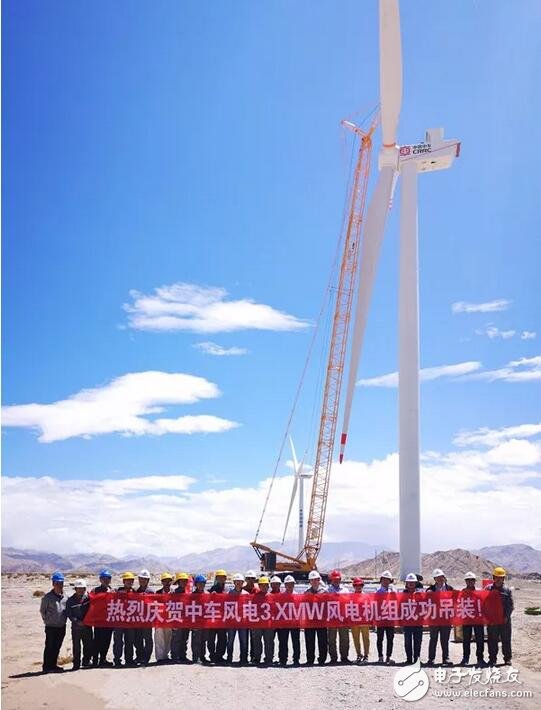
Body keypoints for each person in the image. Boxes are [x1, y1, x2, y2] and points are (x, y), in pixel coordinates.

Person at [40, 571, 68, 673]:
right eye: (57, 583)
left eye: (61, 583)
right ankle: (47, 667)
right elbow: (42, 611)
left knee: (57, 647)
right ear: (53, 584)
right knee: (49, 647)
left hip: (61, 626)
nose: (59, 585)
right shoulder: (47, 597)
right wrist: (47, 620)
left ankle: (53, 665)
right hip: (51, 627)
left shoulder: (65, 597)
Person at [486, 567, 513, 666]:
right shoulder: (488, 589)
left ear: (503, 579)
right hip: (492, 621)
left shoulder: (507, 590)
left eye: (500, 578)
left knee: (506, 640)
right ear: (493, 577)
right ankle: (492, 659)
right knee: (492, 640)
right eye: (496, 577)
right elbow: (484, 604)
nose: (498, 579)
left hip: (505, 621)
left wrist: (506, 617)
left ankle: (507, 659)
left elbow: (510, 606)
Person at [426, 568, 454, 666]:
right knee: (433, 639)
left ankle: (445, 658)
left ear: (444, 577)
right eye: (437, 577)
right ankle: (431, 659)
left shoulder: (450, 589)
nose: (439, 579)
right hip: (434, 619)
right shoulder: (430, 590)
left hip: (446, 619)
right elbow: (425, 602)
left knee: (445, 639)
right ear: (434, 579)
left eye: (441, 577)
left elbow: (455, 602)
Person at [66, 579, 92, 670]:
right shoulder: (70, 601)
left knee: (88, 645)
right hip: (76, 628)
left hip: (87, 627)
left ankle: (86, 662)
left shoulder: (88, 599)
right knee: (76, 646)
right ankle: (76, 664)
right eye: (79, 588)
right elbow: (69, 614)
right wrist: (77, 621)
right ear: (75, 589)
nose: (81, 590)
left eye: (83, 588)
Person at [460, 572, 485, 666]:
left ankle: (480, 658)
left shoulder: (480, 591)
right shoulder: (462, 592)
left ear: (475, 581)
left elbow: (484, 604)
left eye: (472, 580)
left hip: (478, 619)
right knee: (466, 640)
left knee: (480, 639)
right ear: (465, 581)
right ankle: (465, 658)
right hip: (466, 619)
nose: (470, 582)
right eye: (468, 580)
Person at [113, 572, 137, 667]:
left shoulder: (135, 592)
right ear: (123, 581)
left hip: (130, 622)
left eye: (131, 580)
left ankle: (129, 660)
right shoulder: (117, 591)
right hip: (119, 621)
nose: (129, 582)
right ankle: (117, 660)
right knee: (118, 642)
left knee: (129, 641)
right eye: (127, 580)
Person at [304, 570, 328, 666]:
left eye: (316, 579)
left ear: (319, 580)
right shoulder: (306, 593)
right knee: (309, 640)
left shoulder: (324, 592)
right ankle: (310, 659)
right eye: (312, 580)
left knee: (322, 640)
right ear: (310, 581)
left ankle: (322, 659)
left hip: (321, 621)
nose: (314, 581)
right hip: (309, 621)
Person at [326, 570, 350, 664]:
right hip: (332, 617)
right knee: (331, 639)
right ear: (331, 580)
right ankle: (333, 658)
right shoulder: (327, 591)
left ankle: (344, 657)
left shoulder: (345, 590)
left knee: (344, 638)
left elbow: (349, 603)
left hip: (343, 617)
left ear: (340, 579)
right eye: (334, 579)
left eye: (337, 579)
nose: (336, 581)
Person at [92, 569, 114, 667]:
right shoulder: (95, 591)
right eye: (104, 578)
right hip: (98, 621)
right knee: (97, 641)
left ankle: (103, 659)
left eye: (108, 578)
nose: (106, 580)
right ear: (100, 579)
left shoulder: (112, 591)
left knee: (106, 641)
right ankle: (95, 660)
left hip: (109, 622)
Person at [277, 575, 300, 666]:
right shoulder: (281, 596)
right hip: (284, 623)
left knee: (296, 641)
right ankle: (283, 659)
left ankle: (296, 658)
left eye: (291, 584)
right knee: (283, 641)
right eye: (287, 584)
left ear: (294, 585)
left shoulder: (298, 596)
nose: (289, 586)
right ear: (285, 585)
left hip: (295, 622)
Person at [252, 577, 274, 665]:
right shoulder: (255, 597)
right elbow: (252, 609)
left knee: (268, 641)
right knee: (257, 641)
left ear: (268, 586)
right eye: (262, 585)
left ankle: (269, 658)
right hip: (258, 623)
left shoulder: (272, 597)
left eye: (265, 585)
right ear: (259, 586)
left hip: (268, 624)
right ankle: (257, 658)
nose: (264, 587)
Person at [227, 573, 249, 665]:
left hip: (243, 622)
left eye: (240, 582)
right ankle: (229, 658)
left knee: (243, 641)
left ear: (242, 583)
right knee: (230, 640)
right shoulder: (230, 593)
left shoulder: (246, 594)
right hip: (232, 621)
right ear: (234, 582)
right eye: (237, 582)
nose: (238, 583)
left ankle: (243, 659)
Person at [375, 571, 396, 664]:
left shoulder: (393, 591)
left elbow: (396, 603)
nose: (386, 581)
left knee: (390, 638)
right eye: (384, 579)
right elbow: (375, 605)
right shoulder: (378, 592)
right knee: (380, 638)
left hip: (390, 618)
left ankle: (388, 656)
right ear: (381, 580)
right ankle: (380, 656)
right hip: (381, 618)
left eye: (388, 580)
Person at [208, 569, 228, 664]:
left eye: (223, 577)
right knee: (211, 638)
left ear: (225, 578)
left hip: (223, 619)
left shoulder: (227, 590)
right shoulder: (212, 589)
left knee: (222, 638)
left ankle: (220, 656)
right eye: (219, 577)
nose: (221, 579)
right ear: (216, 578)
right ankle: (212, 655)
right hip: (213, 618)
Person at [402, 573, 423, 664]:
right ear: (406, 583)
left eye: (413, 582)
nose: (411, 584)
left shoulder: (420, 594)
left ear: (416, 583)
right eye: (409, 582)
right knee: (408, 641)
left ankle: (417, 659)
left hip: (418, 622)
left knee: (418, 641)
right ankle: (409, 659)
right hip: (407, 622)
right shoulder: (402, 594)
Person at [134, 569, 153, 665]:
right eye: (141, 578)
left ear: (148, 580)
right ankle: (139, 656)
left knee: (148, 639)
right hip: (138, 620)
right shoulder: (136, 592)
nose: (142, 580)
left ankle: (146, 657)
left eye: (145, 579)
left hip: (147, 621)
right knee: (138, 639)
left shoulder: (151, 592)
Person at [171, 572, 190, 663]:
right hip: (176, 619)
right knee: (176, 639)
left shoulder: (188, 593)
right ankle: (175, 656)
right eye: (182, 581)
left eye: (185, 581)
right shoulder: (173, 593)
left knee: (184, 639)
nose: (184, 583)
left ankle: (183, 656)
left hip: (186, 620)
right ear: (178, 582)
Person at [154, 572, 174, 663]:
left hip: (170, 619)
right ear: (162, 582)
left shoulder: (174, 594)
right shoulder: (157, 593)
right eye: (165, 581)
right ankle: (160, 657)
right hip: (159, 619)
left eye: (169, 581)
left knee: (168, 637)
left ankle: (166, 655)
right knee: (159, 637)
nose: (167, 583)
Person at [350, 577, 370, 664]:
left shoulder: (366, 596)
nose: (358, 587)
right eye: (356, 585)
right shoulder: (350, 596)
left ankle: (366, 656)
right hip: (354, 620)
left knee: (366, 638)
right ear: (354, 586)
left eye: (360, 585)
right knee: (356, 638)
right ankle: (359, 655)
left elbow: (370, 608)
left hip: (364, 620)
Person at [191, 575, 210, 664]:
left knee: (204, 640)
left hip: (205, 622)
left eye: (202, 583)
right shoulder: (192, 595)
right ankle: (196, 657)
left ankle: (202, 656)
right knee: (196, 640)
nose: (201, 585)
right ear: (196, 584)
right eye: (199, 583)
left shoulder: (207, 594)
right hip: (196, 621)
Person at [244, 570, 258, 663]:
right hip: (244, 618)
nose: (250, 580)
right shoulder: (242, 590)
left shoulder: (257, 590)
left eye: (252, 578)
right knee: (244, 639)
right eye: (248, 578)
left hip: (254, 618)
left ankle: (254, 656)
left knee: (254, 639)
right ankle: (244, 657)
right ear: (245, 579)